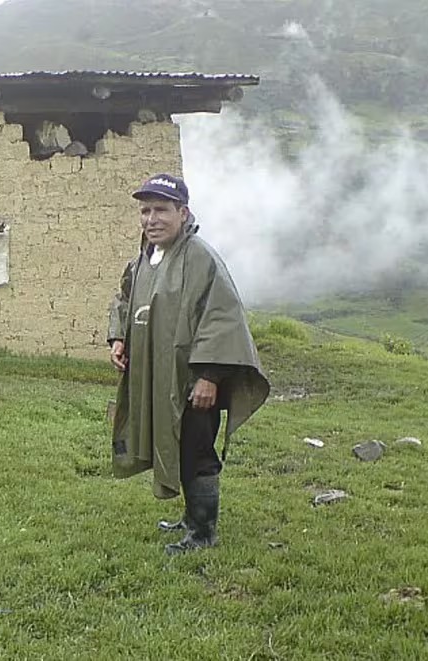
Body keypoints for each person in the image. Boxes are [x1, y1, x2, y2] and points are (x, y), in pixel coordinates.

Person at [107, 174, 269, 555]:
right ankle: (189, 518)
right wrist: (119, 336)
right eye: (145, 211)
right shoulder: (145, 257)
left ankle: (203, 533)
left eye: (161, 210)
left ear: (183, 212)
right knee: (175, 445)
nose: (151, 219)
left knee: (196, 450)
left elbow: (222, 317)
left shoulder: (200, 258)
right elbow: (125, 299)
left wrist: (209, 376)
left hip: (191, 381)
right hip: (157, 377)